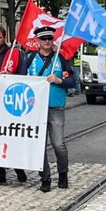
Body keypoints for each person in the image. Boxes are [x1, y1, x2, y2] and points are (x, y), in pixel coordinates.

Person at [25, 26, 76, 192]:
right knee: (39, 146)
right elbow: (18, 79)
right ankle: (45, 178)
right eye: (43, 39)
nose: (47, 42)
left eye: (49, 38)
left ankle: (63, 173)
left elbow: (73, 81)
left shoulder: (60, 58)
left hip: (55, 106)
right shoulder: (30, 58)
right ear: (37, 41)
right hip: (35, 108)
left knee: (58, 144)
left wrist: (60, 80)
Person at [0, 27, 28, 185]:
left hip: (11, 103)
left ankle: (18, 167)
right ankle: (0, 173)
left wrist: (12, 78)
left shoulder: (16, 54)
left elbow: (25, 76)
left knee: (11, 138)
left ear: (5, 38)